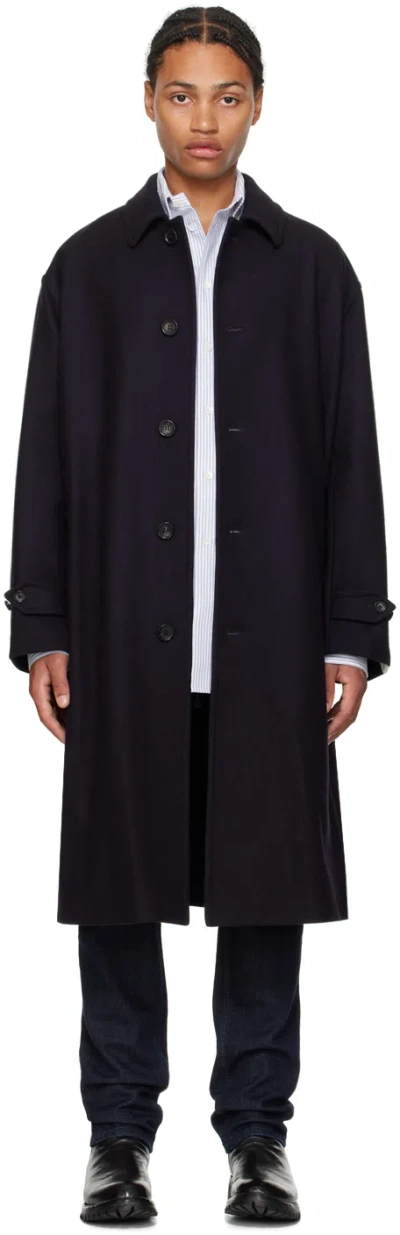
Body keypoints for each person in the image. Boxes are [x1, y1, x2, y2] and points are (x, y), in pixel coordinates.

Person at [4, 6, 395, 1226]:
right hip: (125, 629)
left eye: (227, 94)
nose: (205, 119)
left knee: (263, 889)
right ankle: (118, 1137)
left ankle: (257, 1137)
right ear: (147, 100)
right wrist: (45, 620)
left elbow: (351, 458)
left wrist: (350, 628)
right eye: (182, 94)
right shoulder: (87, 266)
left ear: (258, 102)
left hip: (267, 634)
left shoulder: (313, 268)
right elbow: (44, 454)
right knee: (119, 889)